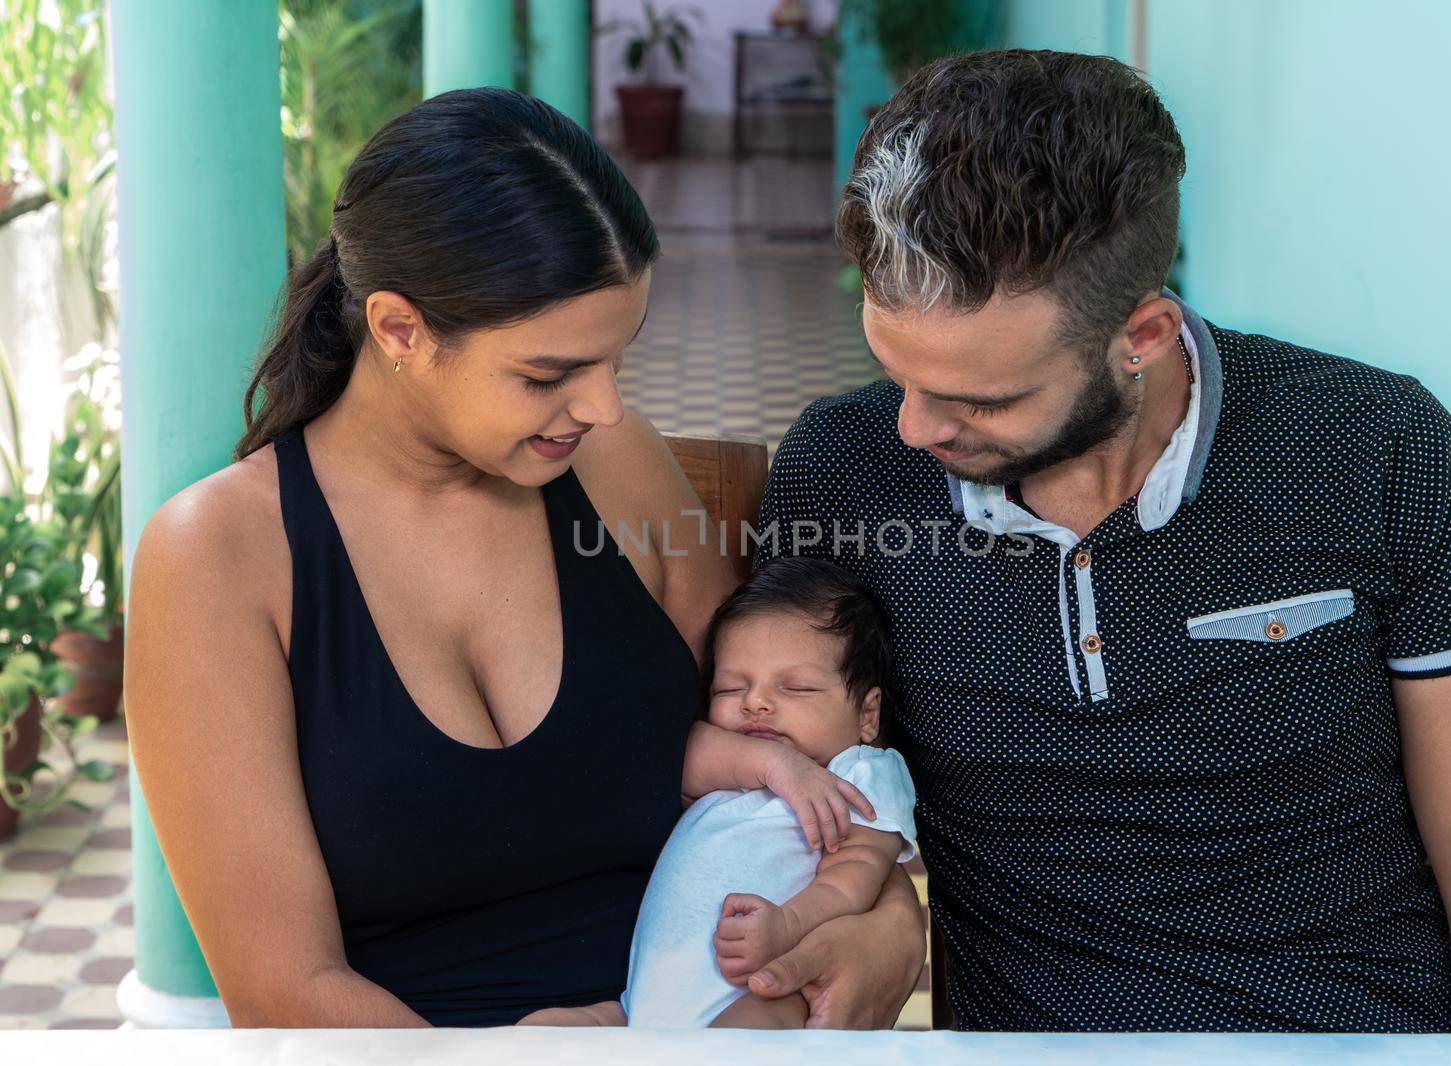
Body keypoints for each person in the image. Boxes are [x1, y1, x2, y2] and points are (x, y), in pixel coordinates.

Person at [757, 50, 1451, 1032]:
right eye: (896, 370)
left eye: (981, 397)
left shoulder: (1375, 449)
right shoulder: (842, 472)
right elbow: (802, 810)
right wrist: (882, 923)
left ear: (1141, 336)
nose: (915, 429)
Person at [124, 87, 925, 1029]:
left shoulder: (615, 468)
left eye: (615, 360)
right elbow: (287, 993)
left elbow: (795, 766)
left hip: (704, 1030)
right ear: (399, 331)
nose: (604, 409)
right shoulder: (220, 558)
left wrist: (890, 928)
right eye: (548, 375)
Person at [621, 557, 919, 1029]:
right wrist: (771, 764)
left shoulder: (860, 773)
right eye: (731, 687)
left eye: (795, 687)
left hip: (753, 991)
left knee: (760, 1029)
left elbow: (856, 877)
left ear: (867, 714)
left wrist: (789, 925)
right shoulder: (730, 764)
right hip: (642, 1005)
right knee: (544, 1033)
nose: (754, 702)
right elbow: (671, 764)